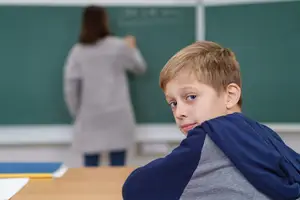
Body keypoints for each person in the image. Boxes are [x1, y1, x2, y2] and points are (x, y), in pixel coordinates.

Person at [122, 41, 300, 200]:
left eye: (191, 97)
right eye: (173, 103)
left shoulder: (208, 138)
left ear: (230, 96)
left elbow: (134, 189)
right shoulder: (264, 133)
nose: (179, 112)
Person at [63, 5, 147, 167]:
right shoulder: (118, 46)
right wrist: (132, 47)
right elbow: (140, 67)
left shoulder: (78, 52)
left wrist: (77, 113)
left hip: (89, 116)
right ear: (104, 21)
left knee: (89, 172)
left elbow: (70, 88)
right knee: (117, 170)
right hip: (118, 115)